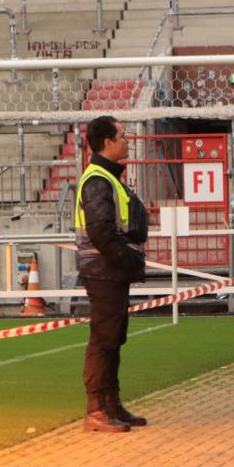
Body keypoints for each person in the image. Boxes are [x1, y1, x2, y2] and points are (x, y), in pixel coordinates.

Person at [75, 116, 149, 432]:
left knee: (112, 339)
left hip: (109, 270)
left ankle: (111, 405)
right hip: (103, 270)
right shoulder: (97, 181)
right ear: (107, 142)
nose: (128, 139)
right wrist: (130, 259)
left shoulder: (105, 178)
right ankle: (97, 410)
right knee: (104, 341)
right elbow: (102, 233)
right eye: (122, 135)